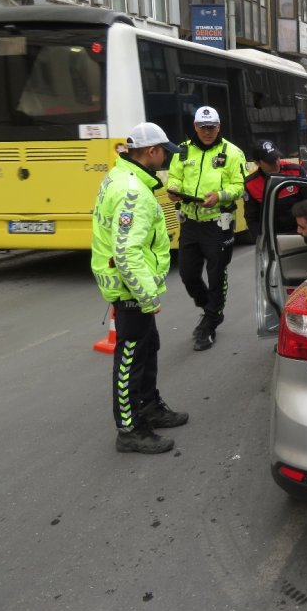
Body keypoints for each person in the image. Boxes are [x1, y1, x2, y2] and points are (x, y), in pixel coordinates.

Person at [91, 122, 188, 454]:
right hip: (130, 289)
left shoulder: (119, 177)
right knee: (130, 359)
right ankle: (129, 430)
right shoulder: (133, 190)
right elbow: (127, 251)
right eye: (163, 152)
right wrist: (147, 296)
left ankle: (149, 407)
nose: (164, 159)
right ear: (151, 151)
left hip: (131, 286)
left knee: (147, 348)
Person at [167, 106, 247, 352]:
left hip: (217, 223)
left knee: (216, 273)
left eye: (212, 127)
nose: (207, 131)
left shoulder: (232, 153)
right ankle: (209, 307)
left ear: (219, 126)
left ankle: (210, 323)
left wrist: (220, 195)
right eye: (203, 127)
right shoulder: (182, 151)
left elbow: (239, 186)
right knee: (188, 274)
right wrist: (173, 189)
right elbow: (174, 177)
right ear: (195, 127)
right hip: (190, 222)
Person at [243, 140, 307, 238]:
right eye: (270, 161)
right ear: (257, 163)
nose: (276, 163)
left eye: (276, 158)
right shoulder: (251, 184)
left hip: (303, 231)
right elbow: (252, 218)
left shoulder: (296, 171)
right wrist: (262, 241)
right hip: (275, 237)